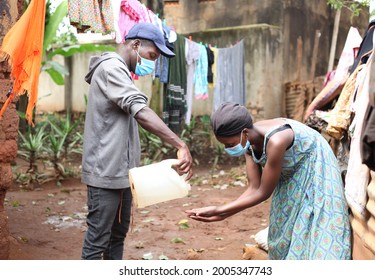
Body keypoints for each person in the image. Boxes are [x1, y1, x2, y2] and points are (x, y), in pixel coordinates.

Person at [81, 22, 193, 260]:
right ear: (135, 45)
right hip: (106, 176)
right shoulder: (111, 69)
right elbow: (140, 111)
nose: (152, 63)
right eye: (152, 55)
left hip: (123, 175)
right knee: (97, 243)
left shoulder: (121, 73)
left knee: (116, 238)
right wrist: (179, 144)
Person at [186, 102, 351, 260]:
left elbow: (263, 192)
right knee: (283, 231)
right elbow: (254, 187)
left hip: (316, 167)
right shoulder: (249, 143)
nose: (228, 149)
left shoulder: (276, 141)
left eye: (230, 144)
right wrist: (222, 213)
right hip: (290, 173)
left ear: (244, 133)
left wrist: (219, 210)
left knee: (317, 226)